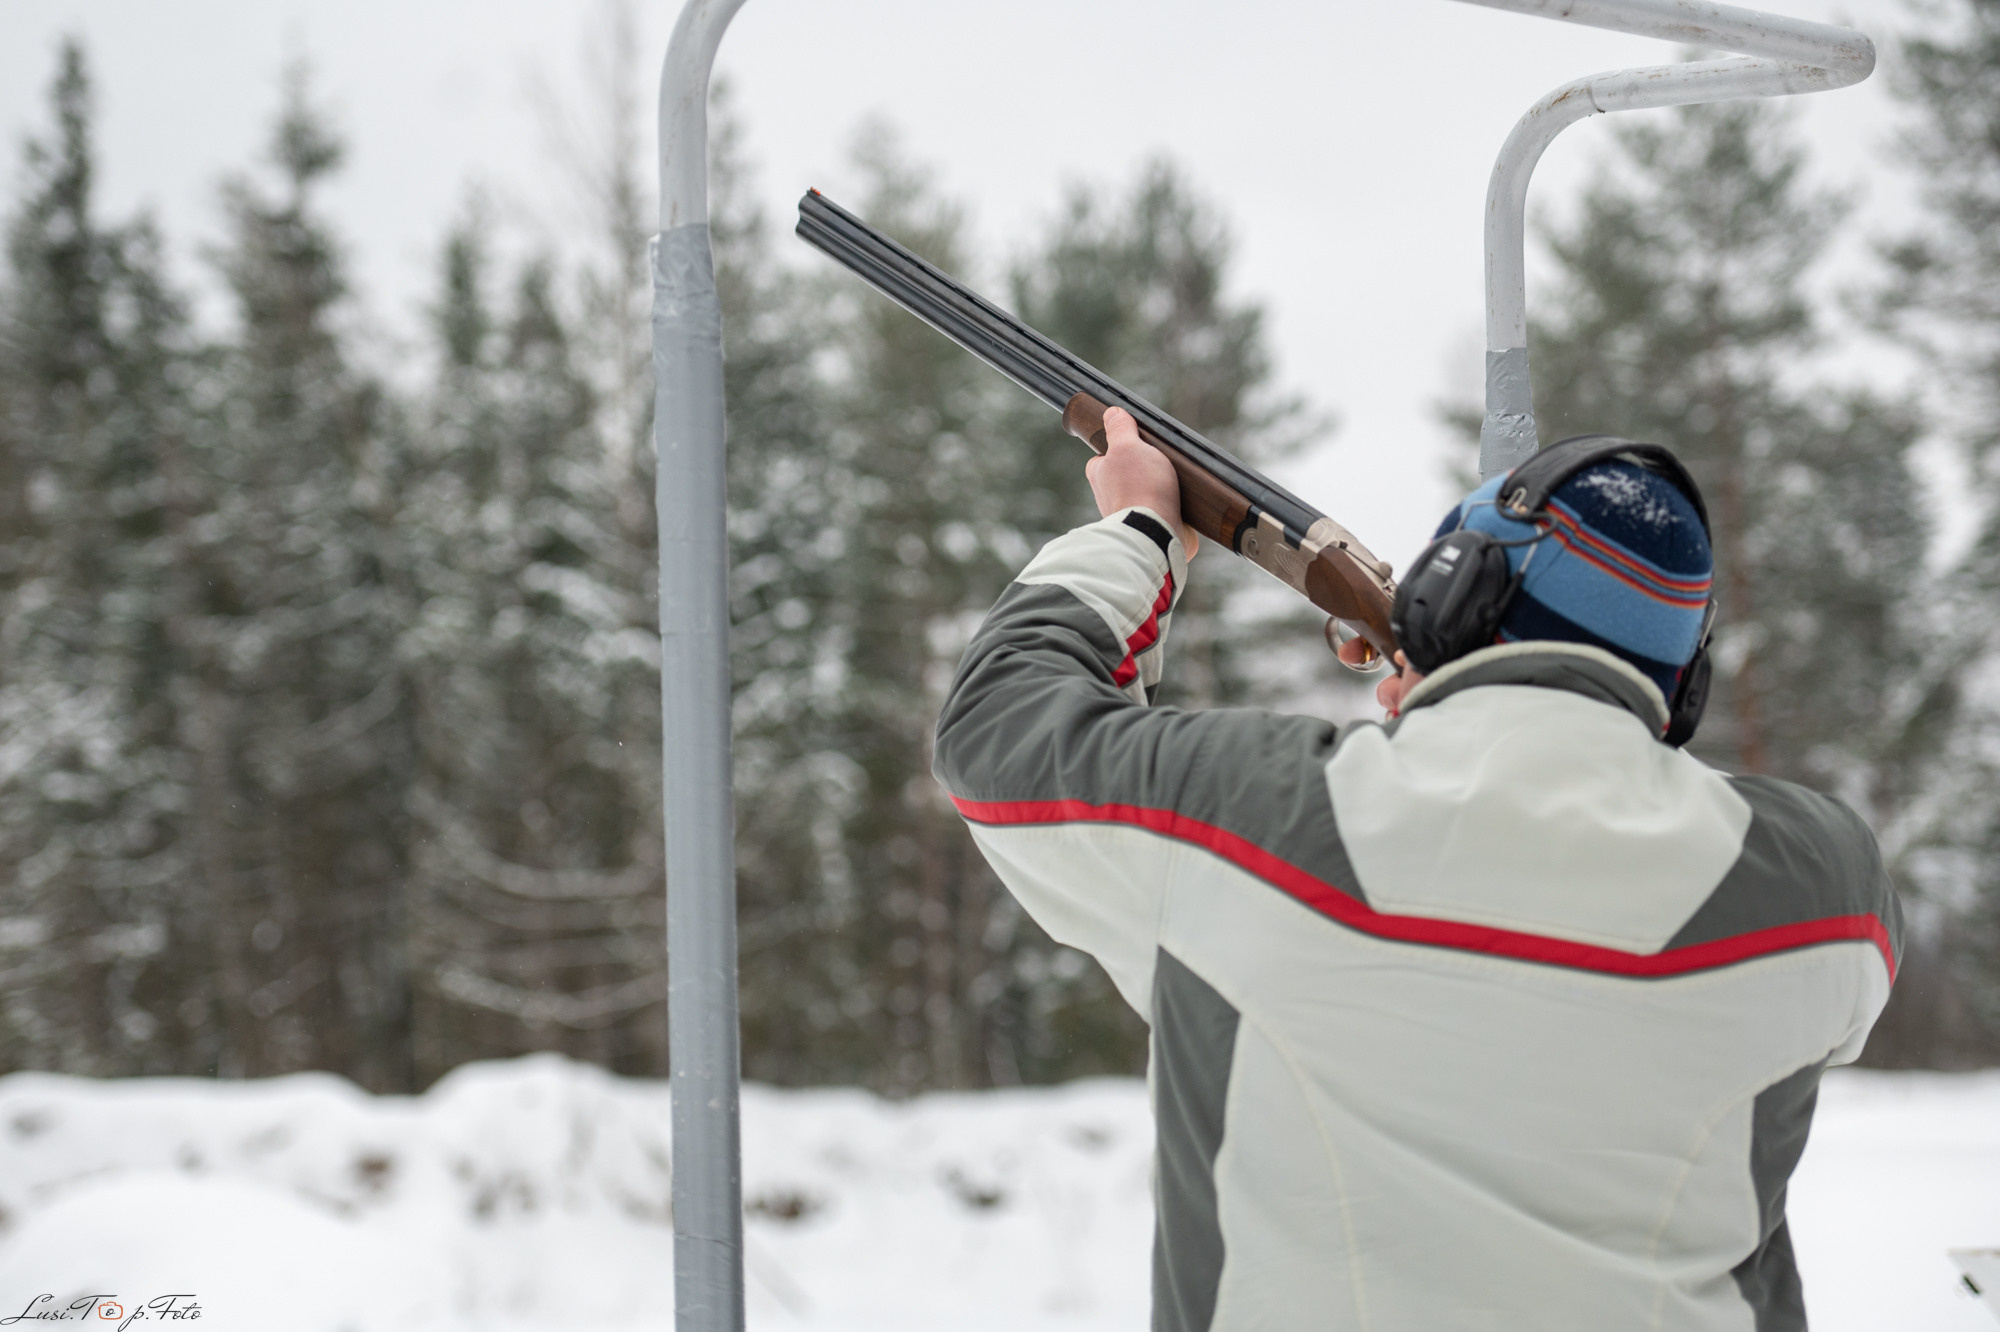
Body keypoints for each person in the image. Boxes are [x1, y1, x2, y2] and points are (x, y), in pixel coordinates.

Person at [931, 407, 1902, 1332]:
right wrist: (1455, 707)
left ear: (1448, 597)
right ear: (1680, 680)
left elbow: (998, 727)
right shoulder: (1826, 892)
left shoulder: (1247, 817)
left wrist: (1138, 529)